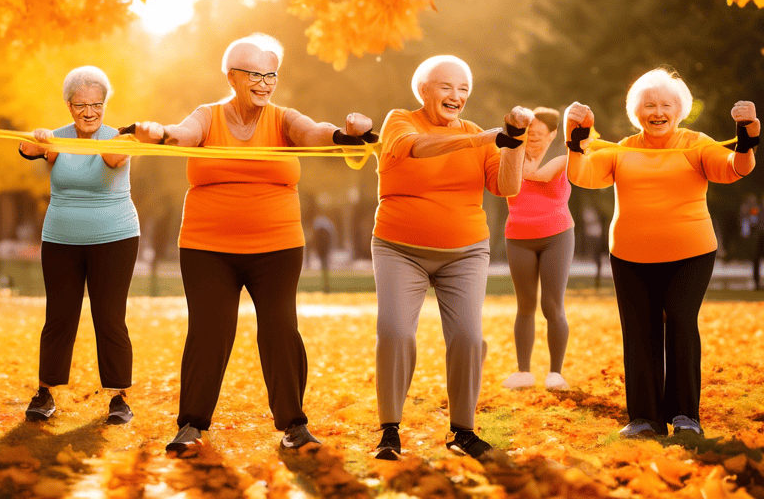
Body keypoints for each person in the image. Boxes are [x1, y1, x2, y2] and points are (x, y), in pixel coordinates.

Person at [131, 33, 375, 453]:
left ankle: (294, 426)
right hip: (207, 247)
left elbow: (312, 132)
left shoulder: (281, 118)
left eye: (271, 75)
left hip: (277, 247)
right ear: (231, 76)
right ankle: (192, 425)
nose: (265, 83)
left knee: (280, 329)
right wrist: (159, 133)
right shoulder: (208, 115)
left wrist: (344, 134)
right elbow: (183, 134)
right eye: (256, 74)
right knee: (210, 331)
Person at [565, 68, 757, 438]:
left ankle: (686, 415)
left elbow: (736, 168)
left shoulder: (696, 143)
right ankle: (645, 419)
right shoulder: (622, 149)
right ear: (637, 112)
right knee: (639, 332)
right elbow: (582, 175)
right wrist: (576, 139)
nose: (657, 112)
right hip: (629, 255)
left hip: (691, 252)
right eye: (648, 105)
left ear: (679, 109)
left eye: (665, 105)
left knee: (681, 323)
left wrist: (747, 134)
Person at [371, 55, 533, 461]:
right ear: (423, 90)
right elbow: (419, 150)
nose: (456, 96)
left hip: (465, 252)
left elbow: (507, 185)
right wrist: (487, 138)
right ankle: (389, 430)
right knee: (395, 333)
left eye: (463, 89)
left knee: (468, 338)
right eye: (446, 87)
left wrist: (515, 139)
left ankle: (463, 430)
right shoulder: (400, 121)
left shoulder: (480, 134)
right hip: (398, 248)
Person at [19, 66, 140, 425]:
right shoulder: (56, 140)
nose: (89, 112)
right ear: (69, 105)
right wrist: (39, 139)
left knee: (109, 317)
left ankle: (119, 397)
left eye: (96, 104)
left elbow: (113, 159)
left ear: (105, 104)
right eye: (80, 105)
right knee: (59, 317)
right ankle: (45, 393)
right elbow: (26, 149)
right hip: (61, 240)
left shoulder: (118, 139)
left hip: (115, 239)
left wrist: (100, 143)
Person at [501, 108, 574, 391]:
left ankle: (555, 373)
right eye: (528, 133)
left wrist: (515, 157)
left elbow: (538, 176)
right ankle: (523, 372)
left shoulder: (562, 159)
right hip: (518, 236)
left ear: (553, 135)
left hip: (557, 236)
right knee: (525, 305)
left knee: (552, 306)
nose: (532, 138)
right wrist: (514, 151)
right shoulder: (511, 156)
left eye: (539, 134)